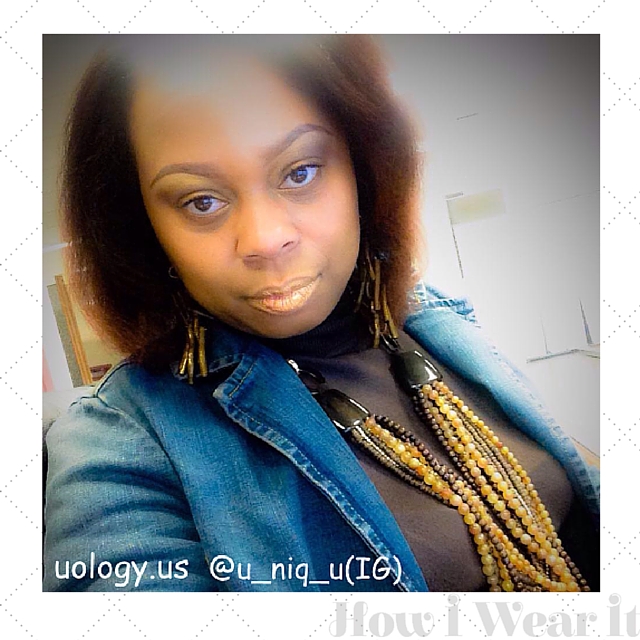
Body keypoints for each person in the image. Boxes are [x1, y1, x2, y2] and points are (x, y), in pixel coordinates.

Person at [43, 35, 599, 592]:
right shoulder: (120, 441)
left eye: (301, 171)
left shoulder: (434, 319)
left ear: (364, 168)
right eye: (201, 201)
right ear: (144, 228)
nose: (266, 239)